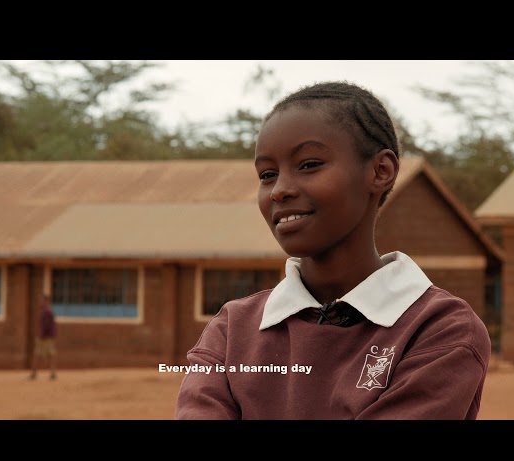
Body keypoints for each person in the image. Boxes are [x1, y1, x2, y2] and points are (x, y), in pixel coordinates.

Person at [175, 80, 491, 420]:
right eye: (267, 174)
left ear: (380, 171)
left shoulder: (439, 329)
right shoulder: (232, 331)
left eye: (309, 164)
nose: (279, 190)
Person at [29, 293, 57, 380]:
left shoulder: (47, 311)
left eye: (42, 300)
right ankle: (51, 373)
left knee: (38, 354)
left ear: (46, 301)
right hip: (48, 336)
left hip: (45, 337)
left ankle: (34, 373)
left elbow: (46, 325)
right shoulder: (48, 311)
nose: (40, 302)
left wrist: (41, 335)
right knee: (49, 354)